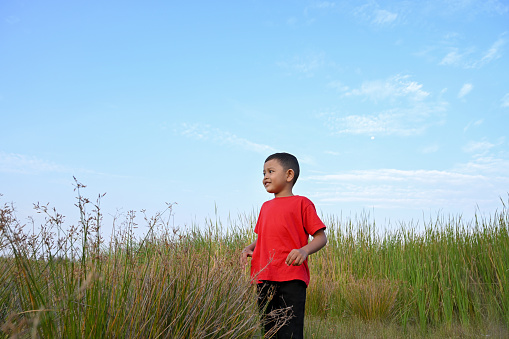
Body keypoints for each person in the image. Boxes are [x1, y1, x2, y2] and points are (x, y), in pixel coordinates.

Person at [241, 152, 327, 339]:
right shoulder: (265, 207)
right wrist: (250, 248)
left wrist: (304, 250)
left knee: (290, 332)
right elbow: (264, 236)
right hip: (264, 276)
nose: (265, 177)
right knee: (269, 330)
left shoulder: (302, 203)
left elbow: (321, 237)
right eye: (263, 173)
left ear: (289, 175)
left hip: (291, 277)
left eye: (270, 171)